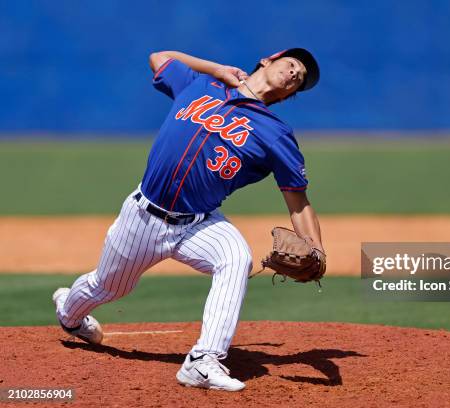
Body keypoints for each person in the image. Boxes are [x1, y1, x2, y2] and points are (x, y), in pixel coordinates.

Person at [52, 48, 324, 392]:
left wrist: (317, 250)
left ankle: (203, 361)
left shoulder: (276, 134)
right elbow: (158, 57)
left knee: (235, 258)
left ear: (287, 96)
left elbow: (298, 201)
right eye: (292, 65)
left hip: (198, 222)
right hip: (143, 216)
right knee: (108, 286)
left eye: (299, 80)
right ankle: (69, 313)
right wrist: (218, 67)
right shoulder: (202, 85)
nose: (295, 75)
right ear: (268, 61)